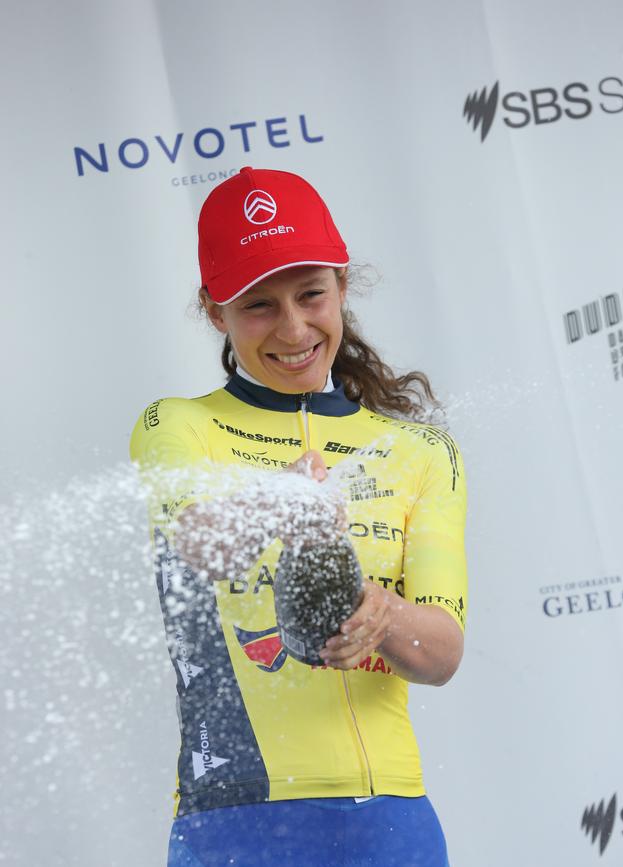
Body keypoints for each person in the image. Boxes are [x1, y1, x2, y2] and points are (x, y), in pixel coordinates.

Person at [129, 166, 468, 867]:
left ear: (343, 286)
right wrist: (276, 504)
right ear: (215, 310)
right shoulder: (177, 425)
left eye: (311, 294)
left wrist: (383, 613)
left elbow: (442, 652)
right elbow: (196, 544)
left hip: (391, 821)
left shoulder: (419, 450)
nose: (293, 328)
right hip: (234, 818)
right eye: (258, 305)